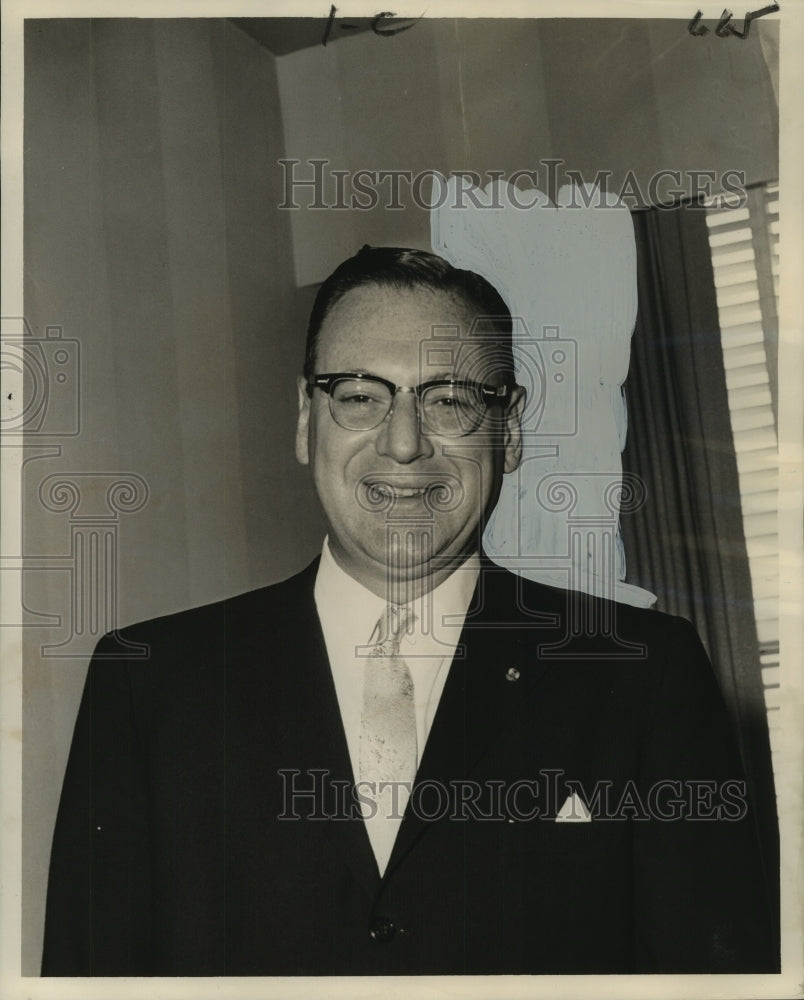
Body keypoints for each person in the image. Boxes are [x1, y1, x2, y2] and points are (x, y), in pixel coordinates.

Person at [42, 246, 777, 976]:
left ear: (509, 430)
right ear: (306, 420)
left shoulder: (642, 673)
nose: (403, 443)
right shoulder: (148, 683)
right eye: (360, 396)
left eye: (449, 399)